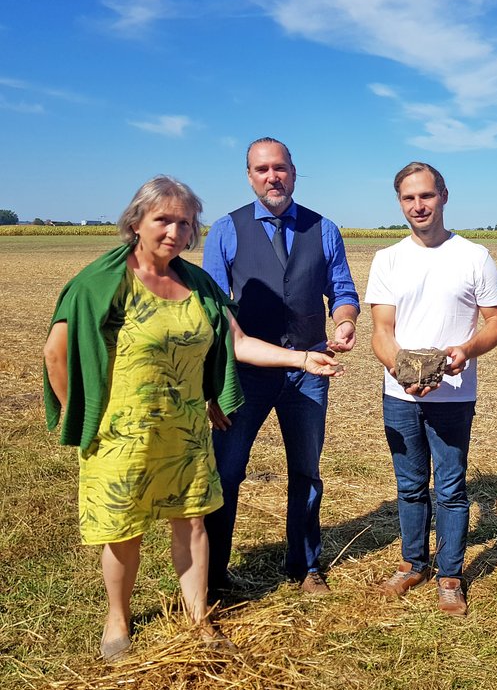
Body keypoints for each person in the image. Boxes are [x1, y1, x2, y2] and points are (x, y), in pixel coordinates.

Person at [42, 176, 344, 661]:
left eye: (185, 222)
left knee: (193, 525)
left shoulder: (198, 285)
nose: (174, 231)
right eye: (163, 219)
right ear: (135, 222)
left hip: (185, 432)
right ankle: (117, 621)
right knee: (123, 531)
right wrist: (86, 421)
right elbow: (57, 355)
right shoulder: (101, 283)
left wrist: (303, 360)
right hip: (121, 434)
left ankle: (200, 618)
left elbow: (237, 344)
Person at [202, 137, 360, 596]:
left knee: (306, 470)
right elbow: (215, 311)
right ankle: (213, 575)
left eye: (281, 168)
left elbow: (342, 290)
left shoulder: (324, 228)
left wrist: (345, 322)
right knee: (227, 472)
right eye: (262, 169)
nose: (273, 177)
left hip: (309, 371)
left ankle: (305, 564)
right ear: (250, 177)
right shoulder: (226, 230)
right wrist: (213, 381)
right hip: (244, 373)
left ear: (294, 171)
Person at [366, 162, 497, 616]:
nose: (418, 205)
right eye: (409, 198)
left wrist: (467, 349)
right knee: (409, 486)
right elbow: (380, 331)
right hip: (400, 395)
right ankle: (413, 563)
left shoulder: (473, 256)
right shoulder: (388, 258)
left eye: (426, 195)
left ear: (444, 195)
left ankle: (449, 574)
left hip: (454, 395)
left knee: (449, 487)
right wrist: (405, 372)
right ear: (400, 203)